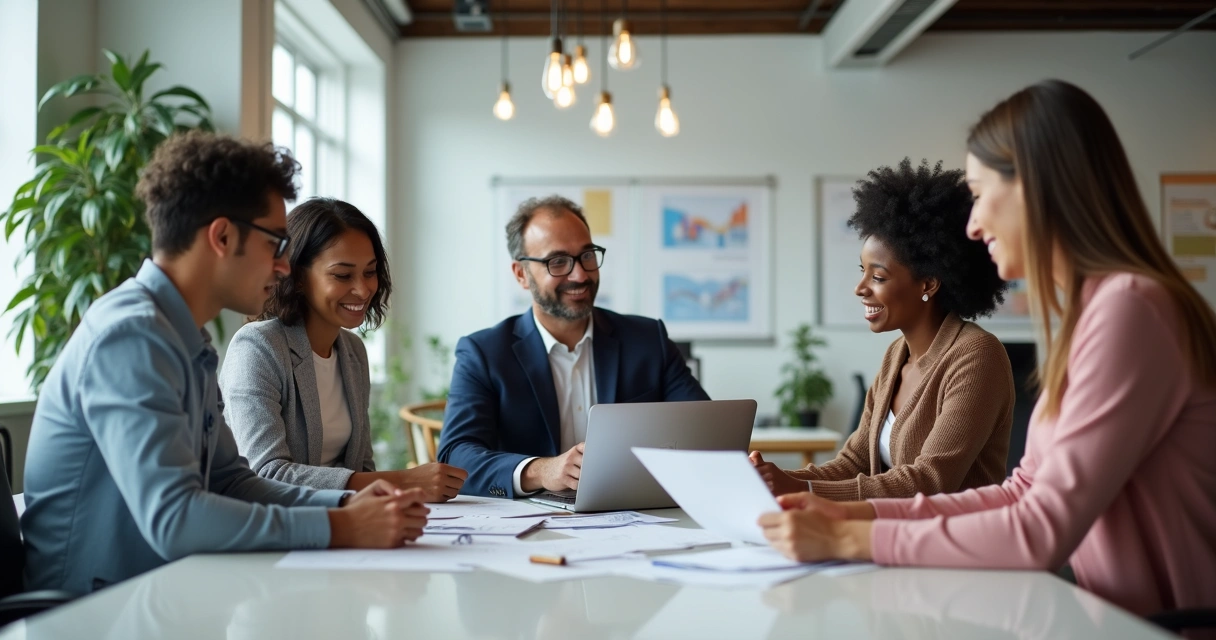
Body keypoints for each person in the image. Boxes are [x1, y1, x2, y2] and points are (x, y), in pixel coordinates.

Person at [758, 80, 1216, 618]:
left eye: (978, 194)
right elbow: (1021, 491)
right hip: (1107, 621)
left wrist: (848, 540)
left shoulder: (1131, 308)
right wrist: (852, 518)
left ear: (1036, 189)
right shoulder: (1098, 310)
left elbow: (1040, 529)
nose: (973, 226)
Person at [20, 132, 430, 595]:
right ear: (222, 236)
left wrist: (341, 504)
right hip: (93, 607)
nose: (283, 266)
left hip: (160, 589)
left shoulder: (183, 337)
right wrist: (341, 527)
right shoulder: (131, 336)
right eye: (276, 244)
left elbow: (232, 481)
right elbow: (175, 519)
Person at [751, 159, 1013, 501]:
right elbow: (854, 462)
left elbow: (929, 481)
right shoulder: (896, 356)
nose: (860, 288)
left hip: (955, 546)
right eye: (863, 271)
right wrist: (773, 477)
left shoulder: (976, 356)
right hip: (896, 540)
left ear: (929, 283)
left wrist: (803, 488)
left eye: (878, 277)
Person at [437, 195, 709, 498]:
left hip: (634, 511)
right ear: (521, 274)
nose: (580, 275)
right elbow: (455, 456)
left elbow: (706, 430)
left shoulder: (648, 340)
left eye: (587, 255)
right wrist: (541, 470)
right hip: (528, 522)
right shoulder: (484, 353)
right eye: (558, 262)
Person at [220, 198, 467, 501]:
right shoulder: (258, 348)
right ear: (296, 276)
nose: (363, 290)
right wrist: (403, 480)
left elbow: (362, 466)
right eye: (342, 275)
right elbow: (267, 474)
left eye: (370, 272)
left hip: (345, 525)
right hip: (277, 530)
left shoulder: (352, 352)